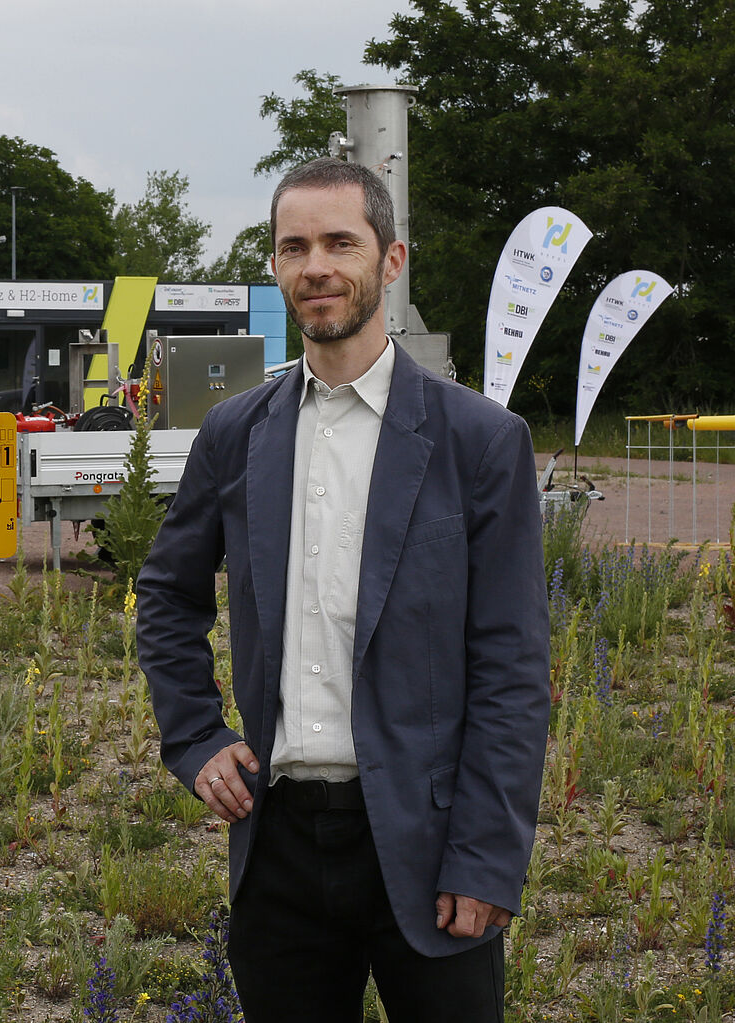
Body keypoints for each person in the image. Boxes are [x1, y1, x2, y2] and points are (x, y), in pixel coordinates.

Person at [137, 156, 548, 1022]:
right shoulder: (234, 432)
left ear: (390, 261)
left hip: (430, 845)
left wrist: (485, 856)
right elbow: (167, 595)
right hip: (278, 839)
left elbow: (512, 667)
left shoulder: (479, 440)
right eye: (294, 246)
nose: (316, 265)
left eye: (339, 242)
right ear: (277, 266)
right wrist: (195, 736)